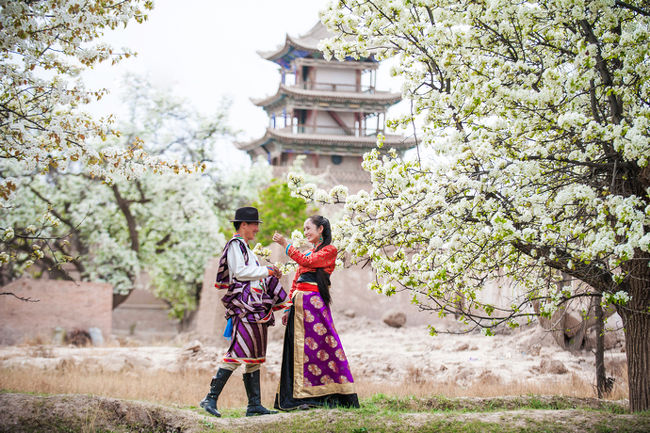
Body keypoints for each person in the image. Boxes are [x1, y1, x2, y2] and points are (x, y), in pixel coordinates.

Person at [200, 206, 288, 417]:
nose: (257, 229)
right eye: (255, 224)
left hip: (255, 307)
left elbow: (253, 275)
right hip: (245, 307)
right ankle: (209, 398)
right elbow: (240, 273)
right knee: (238, 351)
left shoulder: (246, 248)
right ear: (244, 225)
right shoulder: (235, 246)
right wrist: (266, 270)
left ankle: (254, 405)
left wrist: (268, 275)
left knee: (254, 355)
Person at [271, 215, 360, 410]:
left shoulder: (329, 251)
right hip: (299, 305)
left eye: (308, 228)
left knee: (319, 348)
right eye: (304, 230)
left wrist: (286, 244)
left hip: (314, 306)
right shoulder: (310, 253)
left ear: (321, 229)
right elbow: (296, 281)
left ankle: (323, 395)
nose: (305, 233)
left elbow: (305, 261)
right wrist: (287, 308)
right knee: (297, 351)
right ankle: (297, 398)